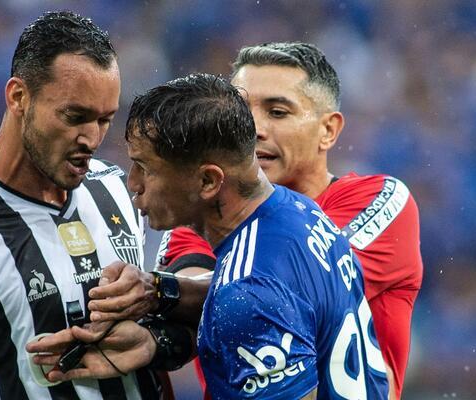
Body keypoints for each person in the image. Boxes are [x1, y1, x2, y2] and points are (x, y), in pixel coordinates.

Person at [29, 73, 389, 399]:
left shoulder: (248, 295)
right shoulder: (298, 210)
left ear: (208, 181)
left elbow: (254, 296)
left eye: (146, 168)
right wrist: (160, 295)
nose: (133, 184)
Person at [0, 11, 167, 400]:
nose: (91, 138)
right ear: (18, 97)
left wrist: (156, 305)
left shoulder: (116, 188)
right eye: (75, 117)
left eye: (104, 120)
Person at [154, 42, 422, 399]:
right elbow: (188, 310)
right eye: (239, 111)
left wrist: (158, 292)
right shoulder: (198, 219)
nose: (252, 128)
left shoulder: (381, 199)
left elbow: (294, 281)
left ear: (328, 130)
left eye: (277, 112)